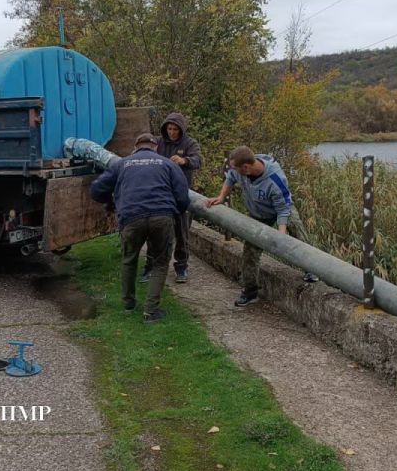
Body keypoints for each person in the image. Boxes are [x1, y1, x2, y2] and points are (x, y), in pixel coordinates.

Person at [90, 132, 190, 322]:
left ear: (135, 147)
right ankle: (151, 312)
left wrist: (111, 203)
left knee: (129, 259)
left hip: (131, 217)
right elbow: (183, 197)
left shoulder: (121, 164)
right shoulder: (168, 164)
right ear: (156, 148)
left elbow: (96, 190)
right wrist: (174, 212)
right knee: (160, 263)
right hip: (162, 216)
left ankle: (128, 303)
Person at [204, 145, 318, 307]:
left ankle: (311, 268)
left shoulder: (275, 179)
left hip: (282, 209)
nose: (234, 171)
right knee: (250, 250)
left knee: (299, 234)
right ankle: (250, 291)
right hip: (258, 212)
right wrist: (221, 197)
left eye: (236, 168)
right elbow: (230, 177)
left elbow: (283, 208)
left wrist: (281, 233)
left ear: (246, 167)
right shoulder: (239, 170)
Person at [139, 112, 202, 284]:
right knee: (155, 232)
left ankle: (181, 267)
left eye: (175, 129)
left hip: (180, 195)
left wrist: (184, 160)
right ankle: (150, 266)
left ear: (181, 130)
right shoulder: (157, 143)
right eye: (169, 128)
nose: (172, 132)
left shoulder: (190, 143)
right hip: (159, 195)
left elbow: (198, 161)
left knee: (182, 233)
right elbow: (143, 155)